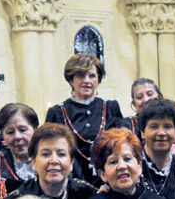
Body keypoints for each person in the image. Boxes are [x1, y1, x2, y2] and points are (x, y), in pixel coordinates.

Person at [45, 53, 124, 186]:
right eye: (81, 75)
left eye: (92, 76)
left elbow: (121, 144)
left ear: (98, 79)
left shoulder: (110, 107)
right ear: (71, 80)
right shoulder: (57, 112)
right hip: (70, 181)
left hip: (109, 179)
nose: (87, 81)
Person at [0, 102, 40, 185]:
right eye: (10, 132)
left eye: (23, 130)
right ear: (2, 136)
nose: (17, 137)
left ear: (35, 130)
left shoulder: (48, 159)